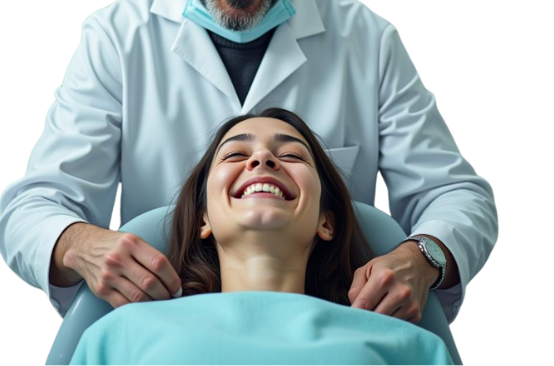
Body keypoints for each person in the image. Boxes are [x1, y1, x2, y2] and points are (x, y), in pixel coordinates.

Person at [0, 0, 499, 329]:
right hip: (166, 336)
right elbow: (33, 208)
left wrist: (423, 257)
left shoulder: (367, 40)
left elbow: (457, 195)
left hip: (328, 339)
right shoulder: (116, 37)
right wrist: (79, 244)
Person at [69, 108, 456, 365]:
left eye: (292, 156)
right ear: (203, 218)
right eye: (235, 155)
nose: (262, 159)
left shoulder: (410, 347)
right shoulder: (117, 336)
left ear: (327, 221)